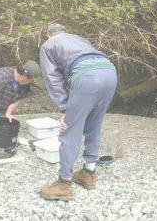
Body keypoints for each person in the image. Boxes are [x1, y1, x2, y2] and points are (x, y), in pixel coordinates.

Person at [39, 23, 117, 201]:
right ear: (64, 32)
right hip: (110, 72)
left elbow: (52, 78)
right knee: (94, 125)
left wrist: (65, 107)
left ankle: (64, 184)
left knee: (70, 130)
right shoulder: (79, 39)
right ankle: (88, 173)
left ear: (49, 35)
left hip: (87, 76)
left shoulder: (48, 45)